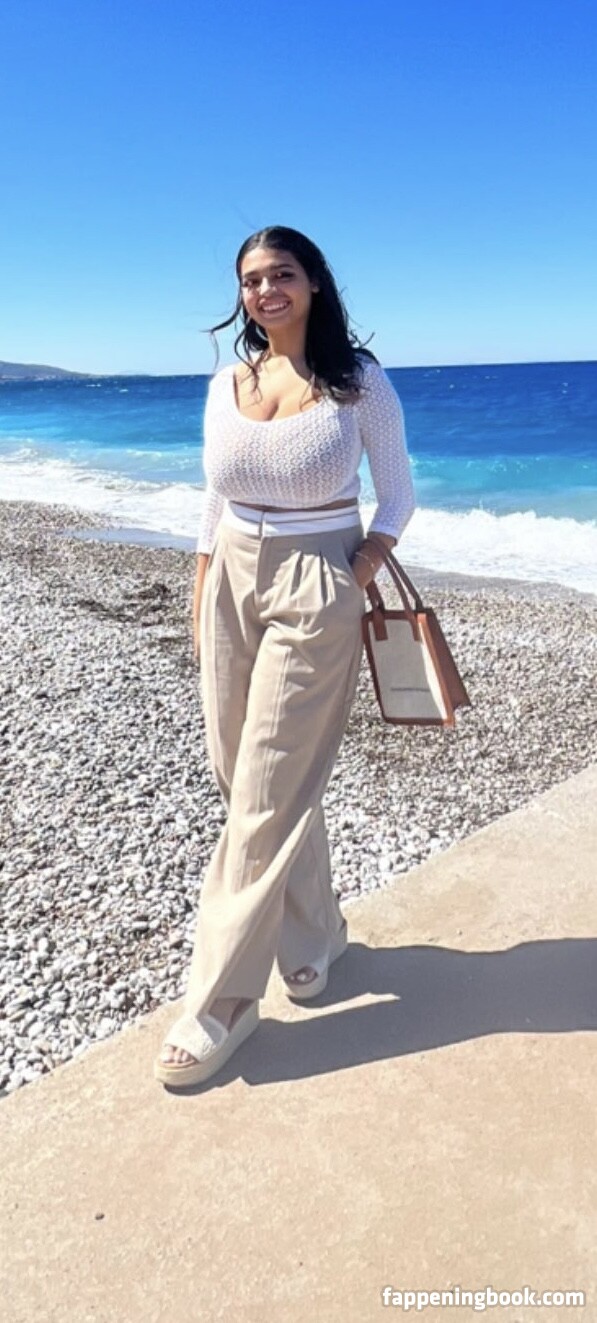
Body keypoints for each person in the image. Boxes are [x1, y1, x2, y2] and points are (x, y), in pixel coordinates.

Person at [154, 225, 415, 1088]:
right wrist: (201, 588)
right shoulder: (227, 382)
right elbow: (213, 495)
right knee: (242, 776)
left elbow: (397, 492)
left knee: (266, 788)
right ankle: (316, 935)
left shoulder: (356, 380)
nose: (266, 290)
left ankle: (223, 1000)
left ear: (313, 284)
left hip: (316, 577)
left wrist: (359, 567)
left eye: (282, 275)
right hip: (230, 574)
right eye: (252, 279)